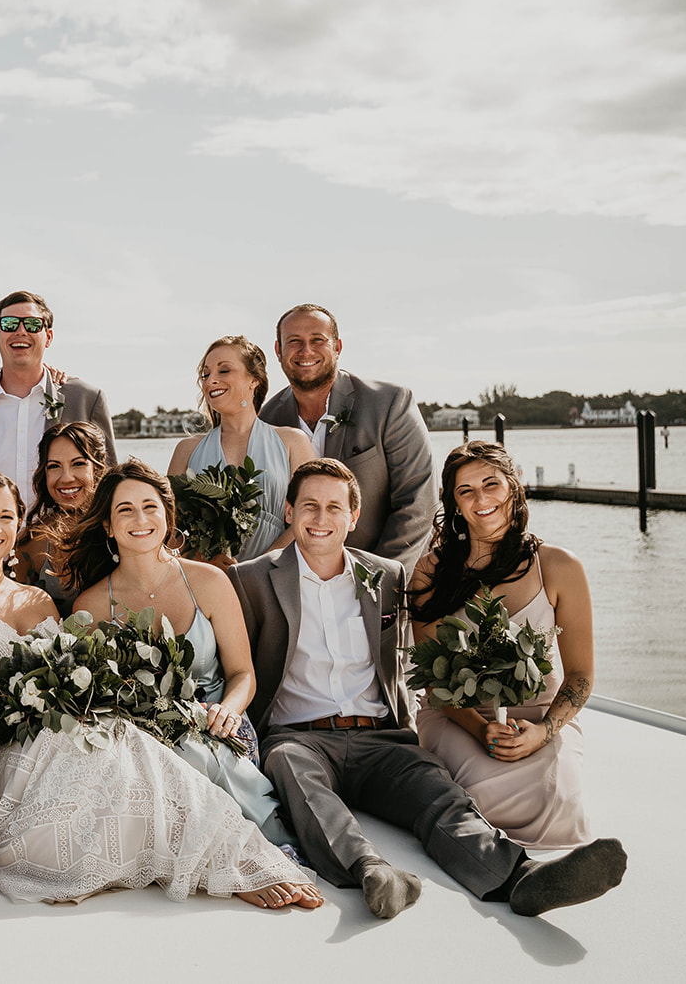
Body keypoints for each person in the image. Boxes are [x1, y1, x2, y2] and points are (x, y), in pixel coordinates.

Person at [0, 470, 320, 909]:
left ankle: (228, 857)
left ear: (19, 525)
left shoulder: (37, 602)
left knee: (128, 747)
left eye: (6, 516)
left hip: (48, 737)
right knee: (120, 756)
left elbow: (73, 677)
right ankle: (220, 858)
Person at [228, 458, 626, 918]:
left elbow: (421, 658)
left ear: (353, 517)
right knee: (293, 774)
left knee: (439, 793)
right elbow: (236, 667)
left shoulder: (388, 578)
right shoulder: (249, 579)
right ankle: (372, 870)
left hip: (381, 735)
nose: (322, 519)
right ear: (290, 511)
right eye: (310, 506)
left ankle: (520, 878)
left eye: (335, 508)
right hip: (300, 736)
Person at [61, 461, 296, 847]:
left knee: (205, 753)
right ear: (108, 525)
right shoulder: (91, 607)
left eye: (150, 506)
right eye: (125, 509)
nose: (140, 518)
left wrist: (229, 710)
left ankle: (261, 847)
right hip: (146, 736)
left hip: (221, 726)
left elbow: (243, 674)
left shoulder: (209, 581)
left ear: (167, 516)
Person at [409, 441, 600, 850]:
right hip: (458, 717)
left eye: (491, 484)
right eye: (466, 491)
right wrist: (482, 731)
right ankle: (504, 870)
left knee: (559, 793)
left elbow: (581, 675)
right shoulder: (430, 572)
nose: (482, 499)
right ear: (454, 504)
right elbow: (432, 684)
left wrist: (544, 733)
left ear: (513, 488)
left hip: (544, 716)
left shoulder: (559, 567)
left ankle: (559, 869)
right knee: (479, 791)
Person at [258, 304, 435, 572]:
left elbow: (418, 504)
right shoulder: (265, 422)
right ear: (278, 351)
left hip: (381, 577)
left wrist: (380, 582)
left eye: (318, 340)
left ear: (337, 347)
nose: (306, 351)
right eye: (294, 342)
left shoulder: (389, 404)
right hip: (296, 587)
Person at [0, 290, 117, 499]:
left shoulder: (85, 399)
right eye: (9, 324)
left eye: (33, 324)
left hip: (63, 530)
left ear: (48, 337)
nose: (21, 331)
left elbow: (110, 481)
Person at [167, 336, 312, 565]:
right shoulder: (187, 450)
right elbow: (169, 527)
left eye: (224, 371)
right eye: (206, 374)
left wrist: (261, 568)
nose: (211, 380)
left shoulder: (293, 442)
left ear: (254, 380)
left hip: (276, 574)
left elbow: (308, 517)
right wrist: (203, 561)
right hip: (206, 579)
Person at [14, 420, 109, 615]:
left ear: (97, 469)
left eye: (78, 464)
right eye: (54, 466)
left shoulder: (122, 528)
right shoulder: (31, 542)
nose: (66, 478)